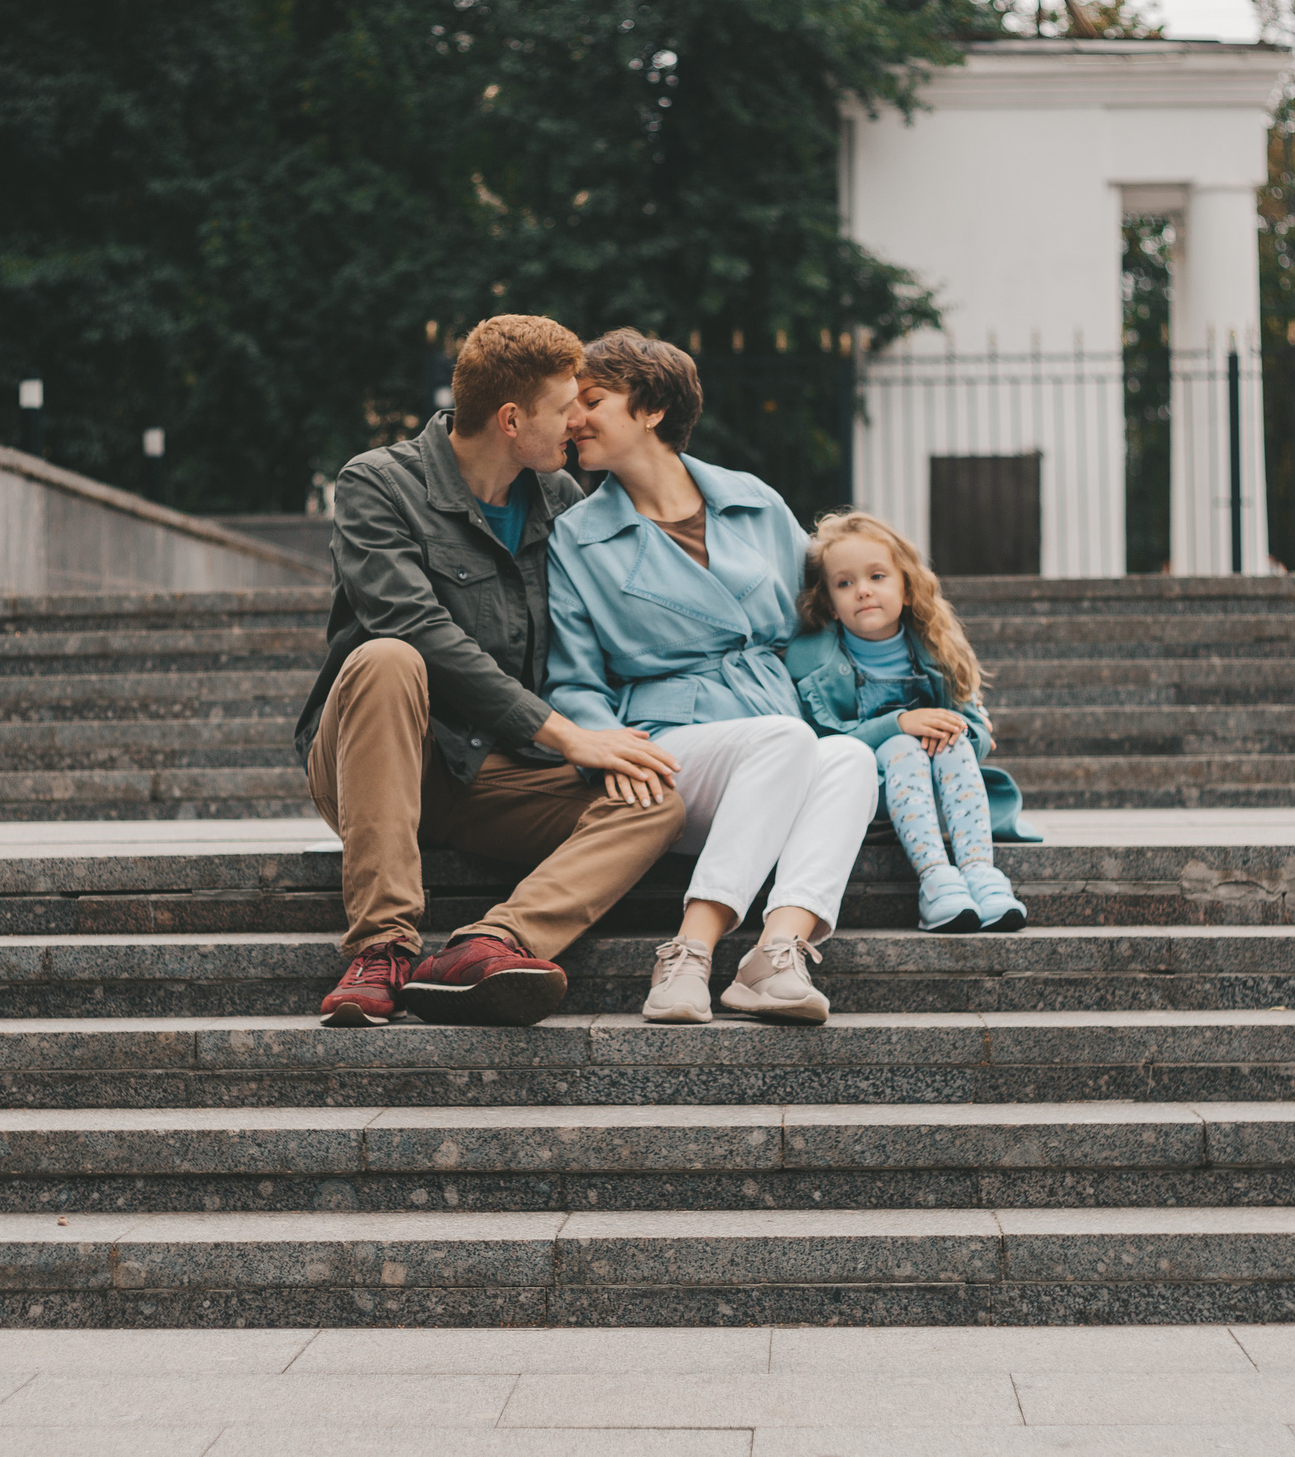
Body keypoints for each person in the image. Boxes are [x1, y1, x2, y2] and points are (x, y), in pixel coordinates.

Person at [294, 315, 686, 1029]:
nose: (578, 421)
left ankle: (490, 945)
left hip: (489, 773)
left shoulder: (561, 501)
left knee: (653, 800)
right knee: (387, 656)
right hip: (376, 758)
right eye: (565, 407)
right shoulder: (378, 483)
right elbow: (414, 626)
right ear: (511, 419)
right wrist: (565, 734)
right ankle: (382, 948)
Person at [543, 331, 879, 1027]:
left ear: (651, 409)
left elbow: (815, 625)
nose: (572, 420)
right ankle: (688, 953)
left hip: (774, 728)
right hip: (667, 747)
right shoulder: (577, 536)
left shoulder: (755, 501)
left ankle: (775, 954)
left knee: (848, 757)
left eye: (592, 401)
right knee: (786, 740)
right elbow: (572, 677)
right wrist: (605, 747)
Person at [785, 511, 1039, 933]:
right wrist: (899, 724)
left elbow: (977, 732)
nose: (863, 590)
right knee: (902, 745)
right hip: (871, 795)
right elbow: (822, 741)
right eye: (845, 583)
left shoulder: (936, 646)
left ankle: (979, 873)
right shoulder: (815, 662)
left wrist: (956, 731)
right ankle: (936, 880)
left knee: (953, 742)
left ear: (906, 588)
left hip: (943, 795)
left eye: (877, 577)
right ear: (830, 604)